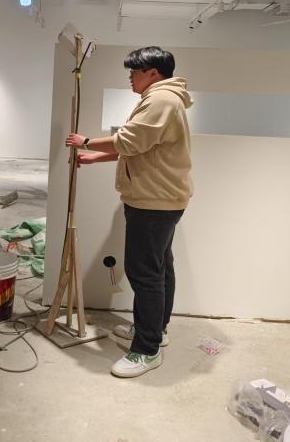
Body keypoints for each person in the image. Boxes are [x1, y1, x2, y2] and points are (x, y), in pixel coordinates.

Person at [65, 46, 193, 378]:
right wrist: (96, 157)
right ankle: (155, 330)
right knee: (159, 268)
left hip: (153, 201)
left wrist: (86, 142)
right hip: (161, 199)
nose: (130, 78)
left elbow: (129, 140)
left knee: (144, 273)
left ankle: (147, 349)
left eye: (134, 72)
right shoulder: (162, 99)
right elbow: (139, 147)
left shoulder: (161, 100)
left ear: (153, 72)